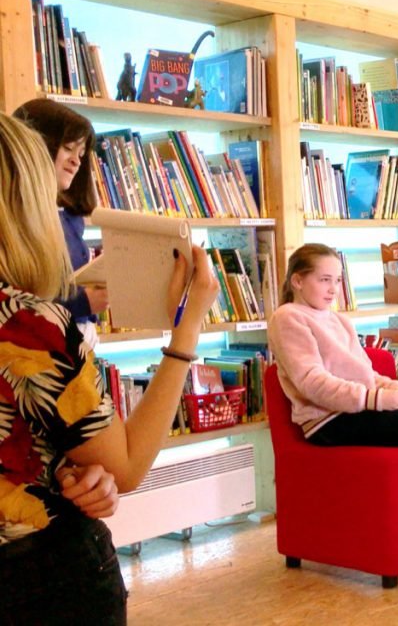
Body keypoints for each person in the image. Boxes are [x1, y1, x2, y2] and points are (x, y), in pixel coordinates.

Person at [0, 112, 219, 622]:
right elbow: (127, 466)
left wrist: (59, 463)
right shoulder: (29, 324)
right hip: (40, 573)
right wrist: (187, 327)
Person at [268, 243, 398, 447]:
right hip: (329, 419)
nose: (333, 289)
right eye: (324, 280)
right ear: (297, 281)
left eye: (338, 280)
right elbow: (312, 382)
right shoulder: (288, 317)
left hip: (362, 406)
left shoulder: (340, 320)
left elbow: (367, 375)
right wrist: (377, 400)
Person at [13, 98, 107, 348]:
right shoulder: (15, 220)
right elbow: (19, 300)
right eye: (68, 148)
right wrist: (83, 302)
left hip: (79, 344)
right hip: (37, 349)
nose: (76, 161)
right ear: (35, 146)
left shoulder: (72, 218)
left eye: (81, 154)